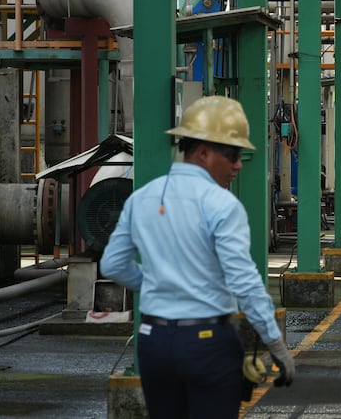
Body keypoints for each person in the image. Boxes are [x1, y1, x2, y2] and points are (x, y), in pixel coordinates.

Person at [100, 96, 295, 418]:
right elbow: (244, 280)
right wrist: (275, 343)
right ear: (203, 152)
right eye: (232, 154)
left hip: (153, 341)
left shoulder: (141, 198)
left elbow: (112, 265)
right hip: (207, 343)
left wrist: (155, 283)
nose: (239, 164)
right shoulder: (222, 205)